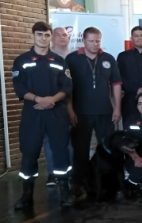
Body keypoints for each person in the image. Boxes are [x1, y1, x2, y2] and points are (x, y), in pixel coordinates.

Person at [12, 22, 73, 211]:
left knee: (60, 152)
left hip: (56, 112)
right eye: (40, 35)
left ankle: (64, 192)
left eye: (46, 35)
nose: (43, 38)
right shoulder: (21, 60)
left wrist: (51, 100)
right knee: (29, 153)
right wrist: (39, 98)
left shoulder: (59, 60)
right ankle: (26, 195)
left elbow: (67, 86)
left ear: (50, 37)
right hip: (33, 113)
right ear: (33, 36)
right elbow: (19, 88)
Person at [67, 27, 122, 198]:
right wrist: (70, 110)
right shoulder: (72, 59)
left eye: (98, 40)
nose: (95, 44)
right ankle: (79, 185)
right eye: (91, 40)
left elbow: (116, 84)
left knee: (108, 149)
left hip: (105, 112)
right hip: (80, 113)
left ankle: (112, 184)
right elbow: (66, 87)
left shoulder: (108, 58)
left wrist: (117, 108)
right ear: (83, 40)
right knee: (80, 151)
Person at [43, 26, 74, 186]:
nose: (62, 37)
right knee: (50, 142)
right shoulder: (46, 58)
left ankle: (71, 172)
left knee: (72, 141)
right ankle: (52, 174)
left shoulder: (75, 57)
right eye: (58, 34)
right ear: (51, 38)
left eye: (65, 35)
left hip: (76, 106)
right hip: (53, 108)